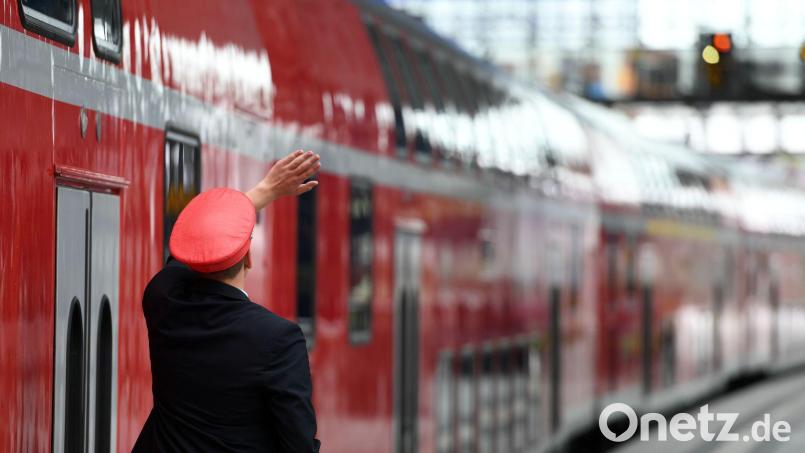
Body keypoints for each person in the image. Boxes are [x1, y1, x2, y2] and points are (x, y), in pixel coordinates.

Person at [133, 150, 322, 452]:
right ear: (248, 256)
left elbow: (188, 252)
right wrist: (269, 191)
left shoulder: (163, 300)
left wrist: (264, 191)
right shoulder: (278, 339)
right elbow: (298, 444)